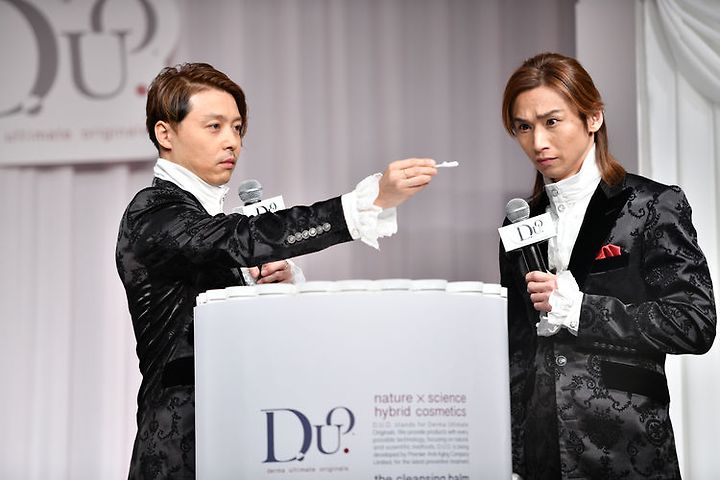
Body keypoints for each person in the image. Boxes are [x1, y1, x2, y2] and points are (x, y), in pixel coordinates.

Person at [116, 62, 437, 479]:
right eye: (214, 127)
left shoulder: (202, 219)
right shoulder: (154, 212)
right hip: (180, 452)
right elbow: (240, 237)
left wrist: (274, 292)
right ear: (165, 134)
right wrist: (366, 202)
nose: (232, 141)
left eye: (237, 128)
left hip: (243, 442)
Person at [499, 52, 716, 480]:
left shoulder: (652, 205)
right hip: (542, 456)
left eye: (552, 121)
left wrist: (582, 310)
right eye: (523, 127)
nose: (537, 141)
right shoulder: (517, 223)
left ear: (593, 118)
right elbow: (518, 350)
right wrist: (513, 455)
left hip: (629, 447)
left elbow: (694, 324)